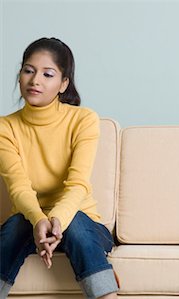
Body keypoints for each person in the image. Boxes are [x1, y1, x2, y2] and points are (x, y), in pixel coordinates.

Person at [0, 38, 119, 299]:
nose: (35, 81)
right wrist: (39, 220)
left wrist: (56, 221)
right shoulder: (5, 127)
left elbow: (77, 184)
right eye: (28, 70)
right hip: (30, 220)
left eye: (47, 74)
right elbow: (18, 187)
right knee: (17, 224)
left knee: (74, 220)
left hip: (81, 223)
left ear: (63, 84)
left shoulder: (82, 119)